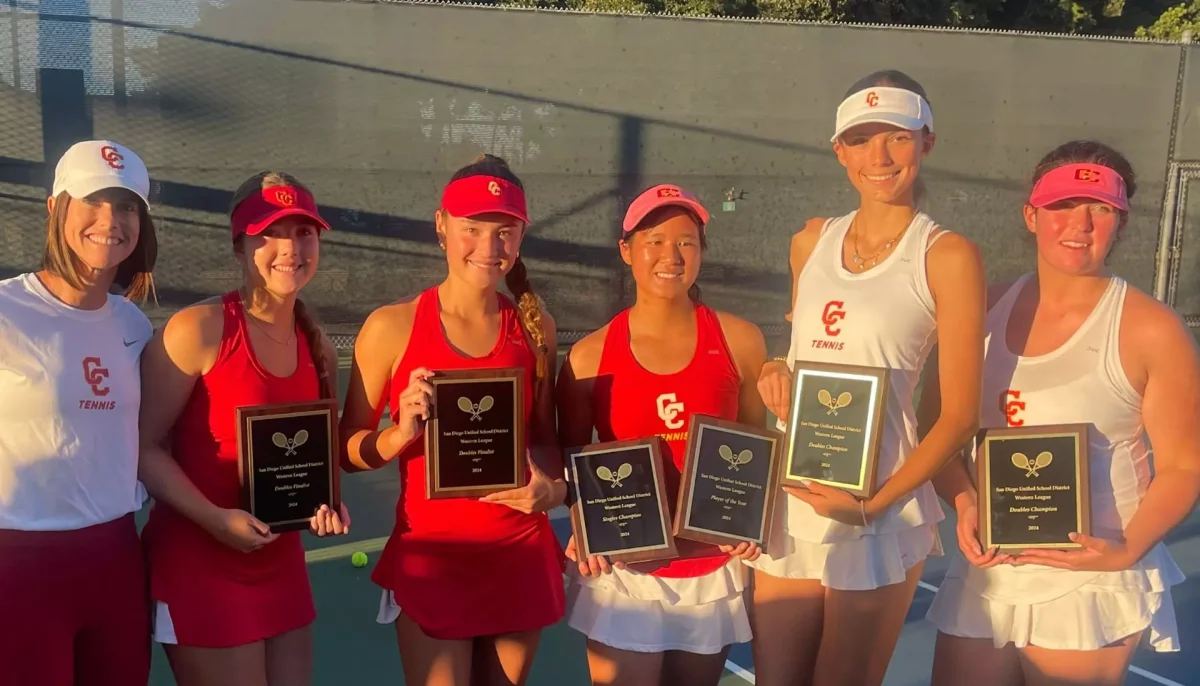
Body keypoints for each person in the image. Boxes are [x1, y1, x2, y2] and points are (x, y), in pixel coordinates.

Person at [924, 140, 1197, 686]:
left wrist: (1123, 551)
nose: (1081, 223)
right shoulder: (980, 310)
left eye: (1100, 208)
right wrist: (964, 497)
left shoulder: (1153, 330)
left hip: (1091, 578)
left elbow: (1184, 467)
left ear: (1120, 221)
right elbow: (936, 432)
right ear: (1031, 215)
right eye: (1063, 206)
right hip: (993, 568)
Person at [748, 70, 987, 686]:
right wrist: (776, 367)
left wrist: (871, 506)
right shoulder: (809, 241)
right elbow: (798, 344)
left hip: (880, 508)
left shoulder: (948, 256)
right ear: (839, 150)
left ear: (927, 142)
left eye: (897, 138)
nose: (878, 157)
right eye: (861, 140)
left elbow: (957, 414)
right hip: (795, 497)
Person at [339, 154, 565, 686]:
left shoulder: (537, 328)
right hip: (433, 559)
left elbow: (548, 443)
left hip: (518, 554)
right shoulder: (391, 327)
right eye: (472, 229)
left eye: (505, 231)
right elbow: (347, 450)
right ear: (441, 226)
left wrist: (550, 492)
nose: (489, 248)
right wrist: (398, 434)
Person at [137, 171, 350, 686]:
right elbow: (141, 448)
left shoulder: (318, 346)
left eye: (303, 232)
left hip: (282, 569)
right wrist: (212, 518)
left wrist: (328, 506)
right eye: (269, 234)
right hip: (199, 566)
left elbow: (316, 459)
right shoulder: (197, 330)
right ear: (239, 245)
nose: (290, 248)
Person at [556, 184, 768, 686]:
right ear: (626, 250)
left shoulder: (741, 340)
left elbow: (755, 443)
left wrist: (749, 518)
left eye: (686, 242)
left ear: (701, 252)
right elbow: (574, 462)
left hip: (711, 569)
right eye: (654, 239)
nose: (670, 256)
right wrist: (582, 521)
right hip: (625, 575)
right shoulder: (588, 357)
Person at [0, 140, 156, 686]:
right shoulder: (5, 311)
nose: (111, 220)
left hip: (116, 558)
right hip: (18, 566)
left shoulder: (134, 326)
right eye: (93, 200)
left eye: (128, 204)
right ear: (54, 207)